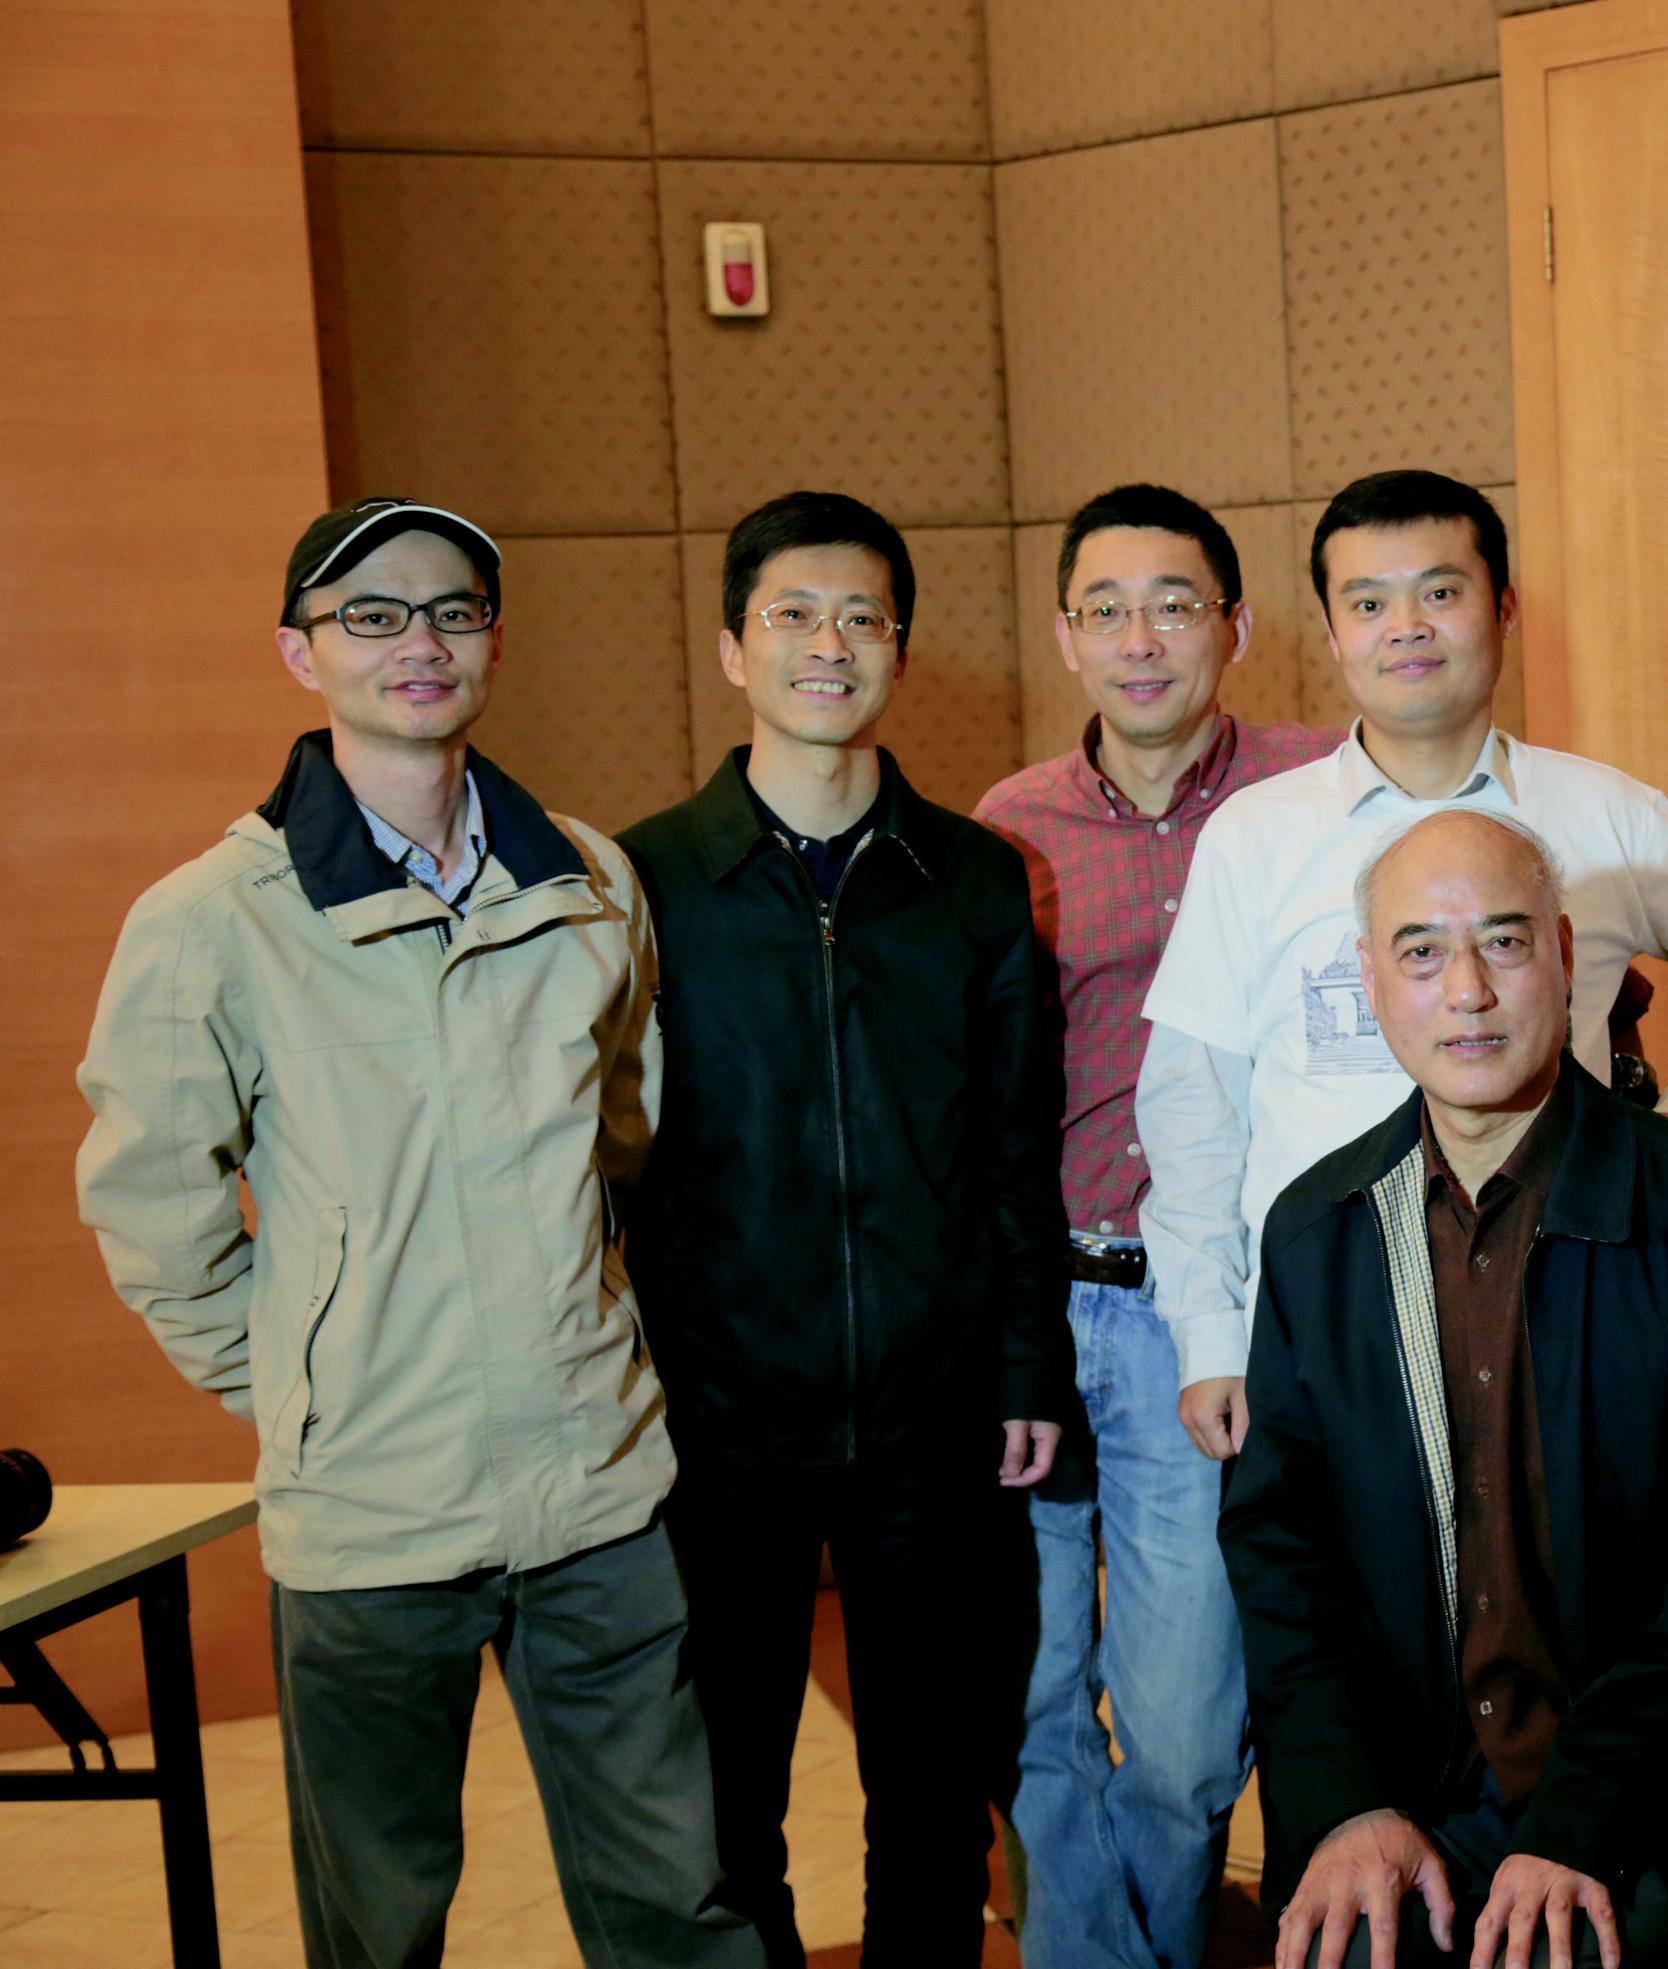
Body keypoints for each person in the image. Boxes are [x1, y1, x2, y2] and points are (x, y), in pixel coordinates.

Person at [74, 497, 760, 1969]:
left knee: (681, 1906)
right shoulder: (212, 920)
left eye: (451, 610)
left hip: (597, 1487)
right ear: (300, 652)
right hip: (370, 1514)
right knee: (377, 1929)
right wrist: (306, 1387)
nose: (418, 642)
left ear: (493, 640)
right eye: (370, 615)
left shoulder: (589, 881)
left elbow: (622, 1137)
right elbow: (156, 1213)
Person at [1219, 808, 1668, 1969]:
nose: (1466, 991)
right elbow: (1281, 1551)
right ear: (1370, 980)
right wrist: (1346, 1803)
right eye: (1420, 952)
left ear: (1562, 955)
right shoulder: (1318, 1231)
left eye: (1503, 943)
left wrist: (1580, 1818)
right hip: (1419, 1795)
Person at [618, 490, 1071, 1966]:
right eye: (794, 616)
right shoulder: (643, 881)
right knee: (723, 1802)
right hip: (716, 1421)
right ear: (733, 649)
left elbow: (1015, 1148)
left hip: (936, 1416)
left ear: (899, 649)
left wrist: (1026, 1366)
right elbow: (605, 1167)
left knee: (934, 1798)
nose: (830, 644)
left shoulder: (974, 877)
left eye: (862, 617)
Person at [1137, 468, 1668, 1467]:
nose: (1405, 627)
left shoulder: (1603, 814)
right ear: (1332, 634)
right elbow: (1193, 1104)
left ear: (1504, 608)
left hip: (1568, 1312)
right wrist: (1210, 1333)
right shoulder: (1254, 836)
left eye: (1440, 591)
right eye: (1368, 603)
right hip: (1322, 1331)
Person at [974, 482, 1337, 1969]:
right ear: (1066, 635)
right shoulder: (1010, 829)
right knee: (1032, 1699)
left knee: (1186, 1734)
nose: (1141, 640)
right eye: (1107, 610)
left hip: (1208, 1316)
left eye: (1173, 605)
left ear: (1233, 627)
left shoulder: (1317, 793)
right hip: (1038, 1308)